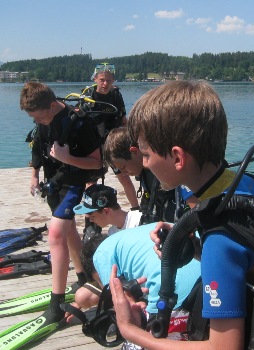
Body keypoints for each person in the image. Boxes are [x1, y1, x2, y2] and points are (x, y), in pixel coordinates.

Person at [107, 80, 254, 350]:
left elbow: (223, 348)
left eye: (146, 155)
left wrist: (131, 331)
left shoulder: (220, 240)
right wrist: (195, 248)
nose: (145, 163)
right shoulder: (249, 185)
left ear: (178, 158)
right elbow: (250, 258)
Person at [20, 82, 102, 324]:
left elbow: (97, 162)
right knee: (68, 233)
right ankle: (82, 275)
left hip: (74, 181)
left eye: (41, 117)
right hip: (53, 181)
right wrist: (34, 174)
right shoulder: (42, 119)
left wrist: (68, 158)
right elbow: (38, 144)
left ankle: (56, 305)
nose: (40, 121)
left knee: (55, 233)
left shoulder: (80, 122)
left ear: (52, 104)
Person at [82, 63, 139, 237]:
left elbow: (123, 119)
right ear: (95, 79)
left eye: (108, 80)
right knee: (91, 183)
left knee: (124, 177)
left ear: (113, 80)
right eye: (102, 80)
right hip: (94, 145)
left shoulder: (116, 94)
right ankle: (91, 221)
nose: (105, 84)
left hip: (112, 144)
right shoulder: (88, 96)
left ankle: (137, 211)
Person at [103, 127, 182, 224]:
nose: (123, 173)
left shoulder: (160, 170)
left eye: (123, 167)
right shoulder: (142, 171)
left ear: (135, 152)